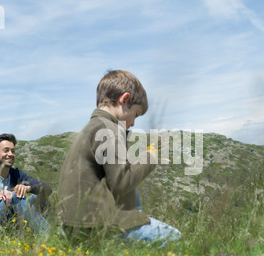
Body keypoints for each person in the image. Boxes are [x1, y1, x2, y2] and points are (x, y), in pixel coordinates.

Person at [57, 70, 180, 246]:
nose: (134, 123)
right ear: (125, 99)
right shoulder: (110, 129)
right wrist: (150, 157)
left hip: (71, 226)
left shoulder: (91, 128)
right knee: (175, 238)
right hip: (95, 226)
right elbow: (121, 182)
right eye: (136, 114)